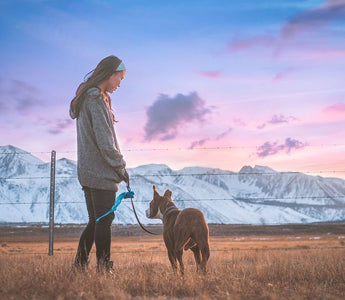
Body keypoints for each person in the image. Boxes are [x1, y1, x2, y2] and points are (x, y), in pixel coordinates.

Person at [69, 55, 129, 272]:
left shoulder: (86, 98)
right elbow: (105, 143)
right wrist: (121, 167)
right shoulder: (95, 100)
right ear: (110, 74)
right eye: (119, 79)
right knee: (103, 221)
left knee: (96, 220)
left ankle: (79, 265)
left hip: (87, 171)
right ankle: (104, 268)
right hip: (101, 173)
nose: (119, 84)